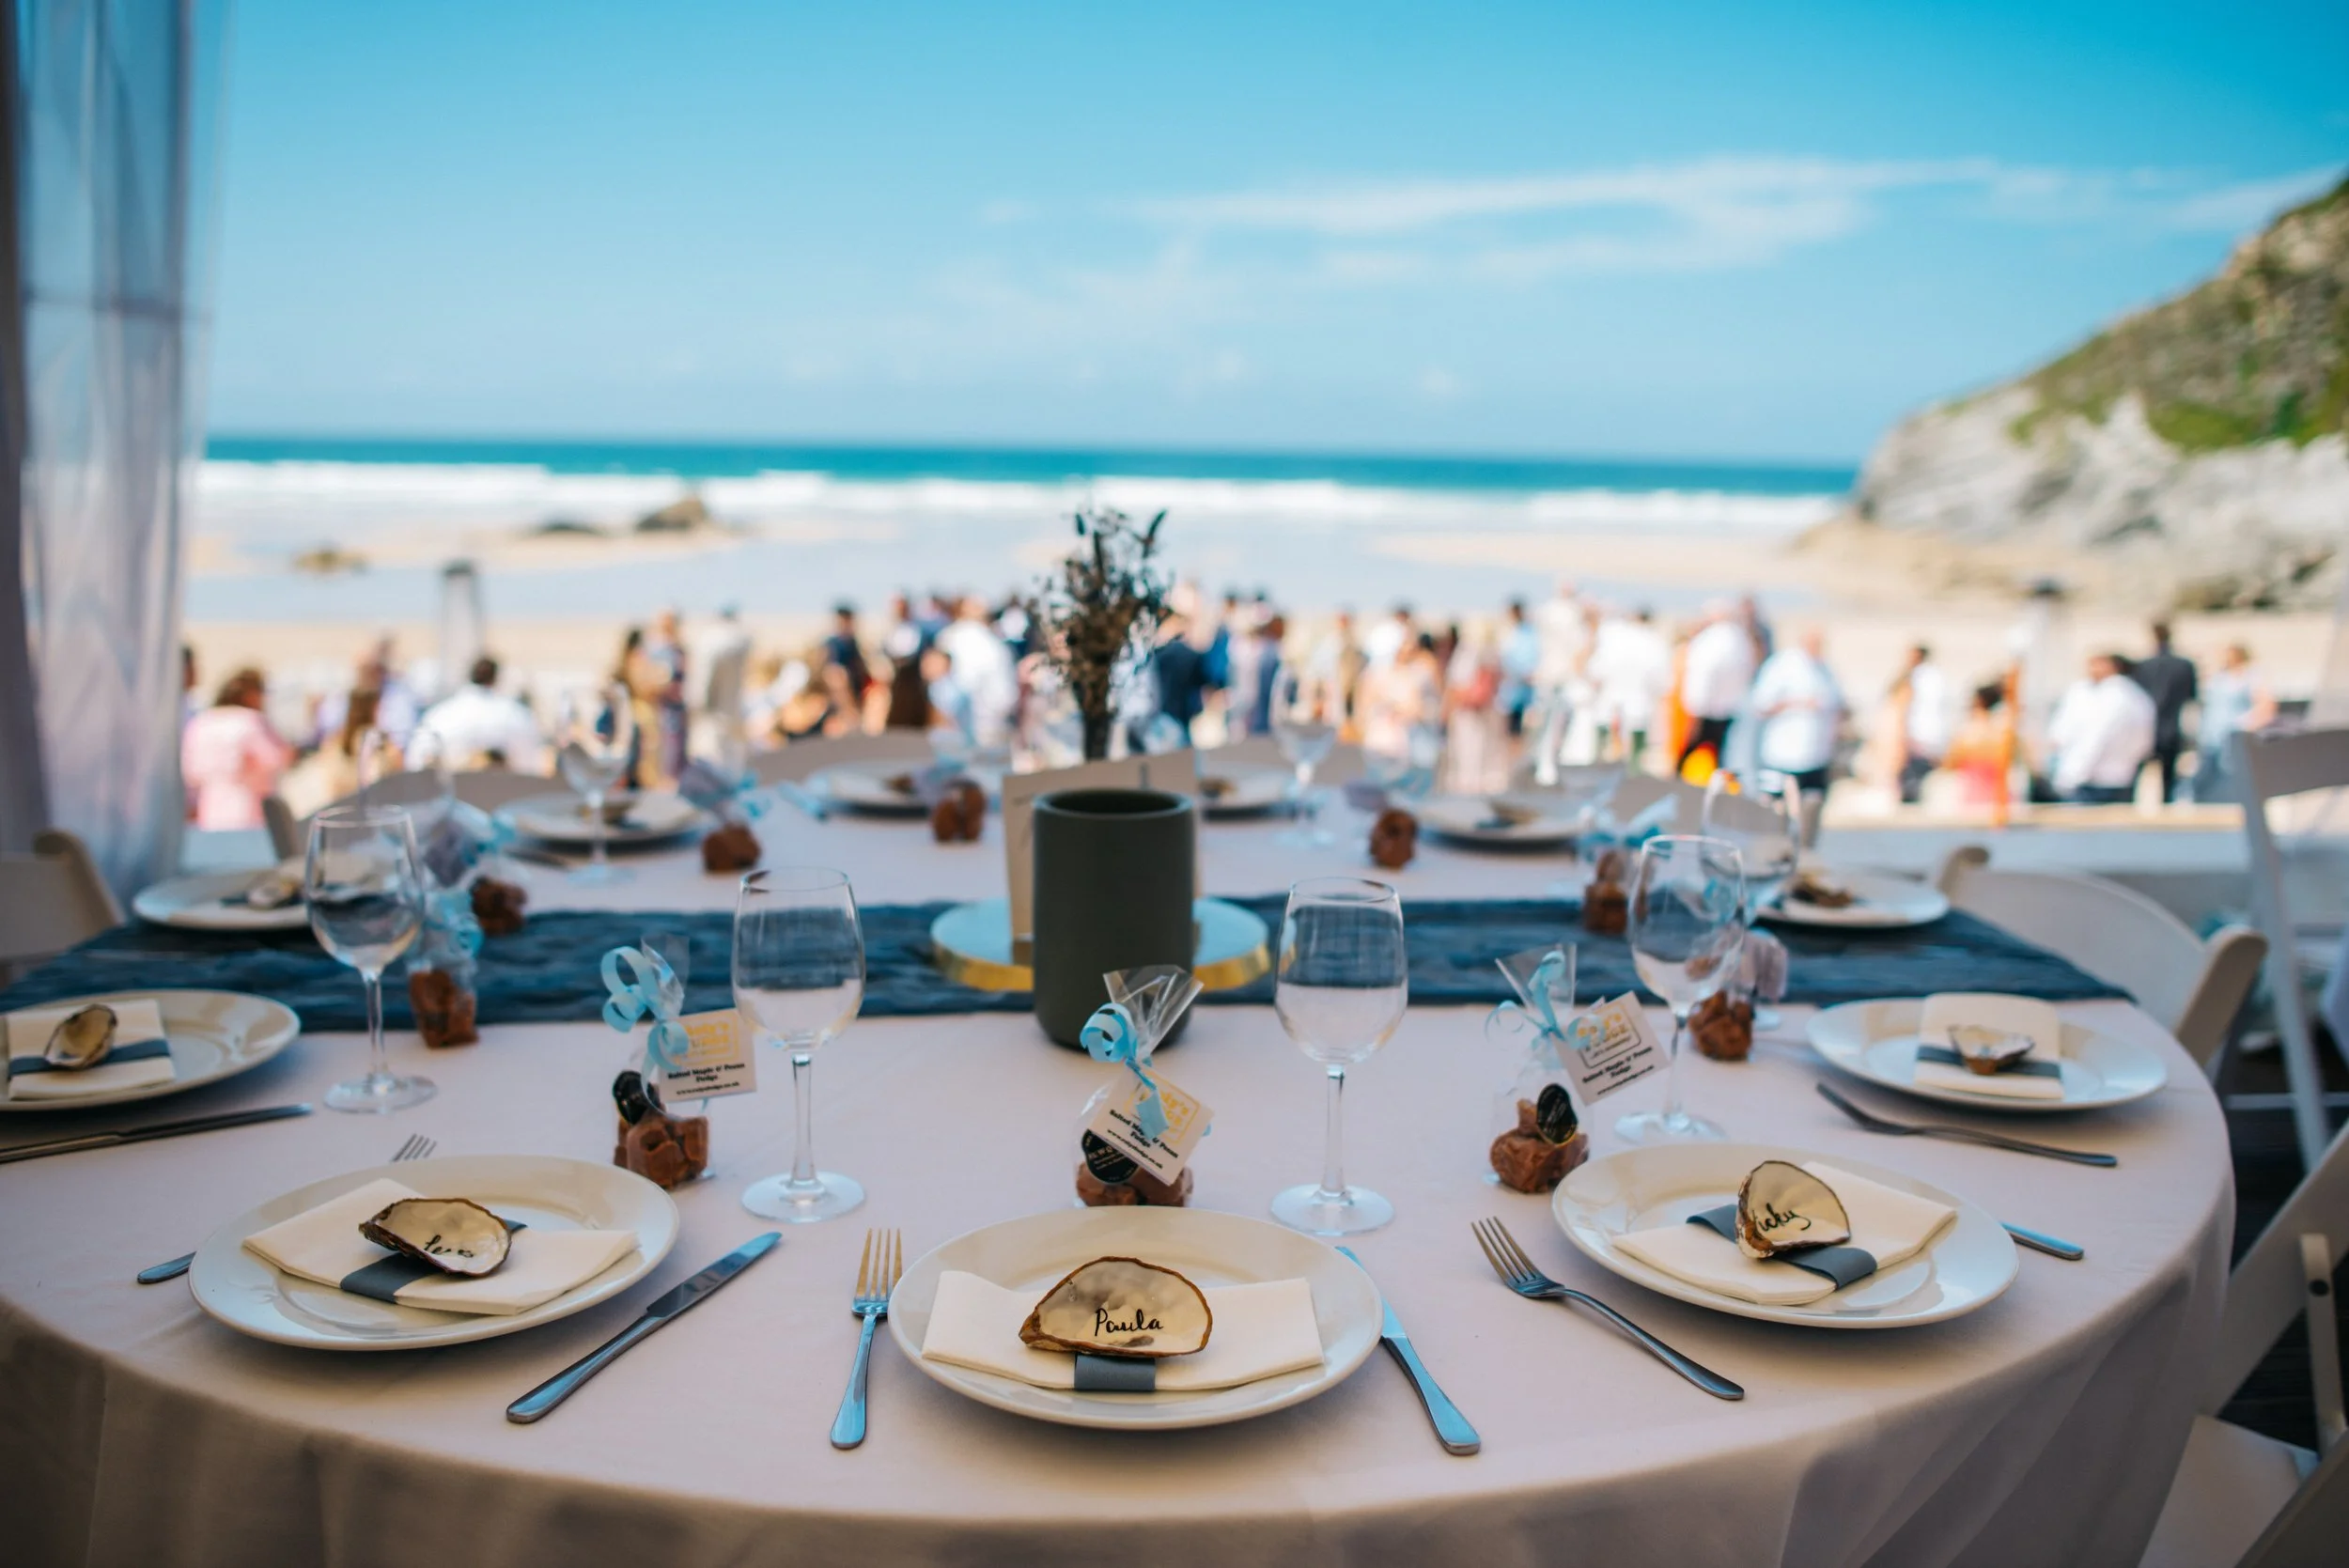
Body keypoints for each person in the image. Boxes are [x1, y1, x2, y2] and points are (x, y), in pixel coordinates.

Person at [181, 667, 294, 831]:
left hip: (210, 814)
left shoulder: (201, 722)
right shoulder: (250, 721)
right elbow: (277, 759)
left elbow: (190, 770)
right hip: (249, 813)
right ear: (250, 694)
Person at [2048, 653, 2155, 804]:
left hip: (2092, 781)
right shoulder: (2136, 695)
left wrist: (2072, 776)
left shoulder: (2111, 697)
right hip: (2121, 776)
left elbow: (2095, 737)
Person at [1748, 629, 1845, 795]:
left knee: (1812, 803)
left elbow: (1837, 702)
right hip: (1784, 753)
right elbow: (1761, 704)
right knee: (1779, 804)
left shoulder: (1824, 668)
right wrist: (1798, 703)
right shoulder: (1782, 665)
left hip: (1817, 754)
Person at [412, 655, 545, 771]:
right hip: (506, 795)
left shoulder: (440, 716)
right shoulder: (517, 716)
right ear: (496, 678)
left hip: (454, 795)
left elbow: (418, 760)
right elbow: (532, 764)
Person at [1678, 601, 1757, 770]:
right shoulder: (1739, 640)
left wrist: (1696, 711)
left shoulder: (1710, 640)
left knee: (1689, 758)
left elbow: (1703, 677)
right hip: (1730, 709)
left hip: (1707, 710)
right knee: (1722, 761)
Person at [2193, 643, 2276, 801]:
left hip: (2234, 734)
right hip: (2212, 736)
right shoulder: (2219, 677)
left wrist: (2245, 724)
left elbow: (2266, 705)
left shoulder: (2250, 676)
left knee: (2232, 776)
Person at [2127, 622, 2199, 803]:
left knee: (2134, 781)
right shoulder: (2184, 665)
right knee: (2169, 782)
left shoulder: (2143, 666)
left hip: (2146, 728)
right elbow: (2192, 696)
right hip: (2172, 727)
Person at [1942, 682, 2014, 811]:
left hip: (1973, 799)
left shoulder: (1966, 733)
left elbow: (1949, 764)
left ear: (1978, 702)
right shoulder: (2004, 732)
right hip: (2000, 799)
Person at [1896, 644, 1951, 804]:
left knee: (1914, 781)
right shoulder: (1937, 676)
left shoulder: (1918, 677)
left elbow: (1909, 708)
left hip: (1920, 737)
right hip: (1933, 737)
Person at [646, 608, 691, 782]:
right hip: (660, 709)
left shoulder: (678, 649)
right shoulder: (656, 649)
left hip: (675, 709)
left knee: (675, 756)